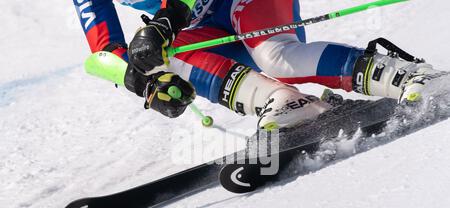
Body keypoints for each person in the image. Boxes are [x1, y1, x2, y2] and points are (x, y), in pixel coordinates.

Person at [73, 0, 442, 130]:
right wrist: (146, 84)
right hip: (204, 26)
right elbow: (102, 52)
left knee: (275, 57)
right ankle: (284, 102)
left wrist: (168, 18)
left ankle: (410, 76)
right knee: (150, 56)